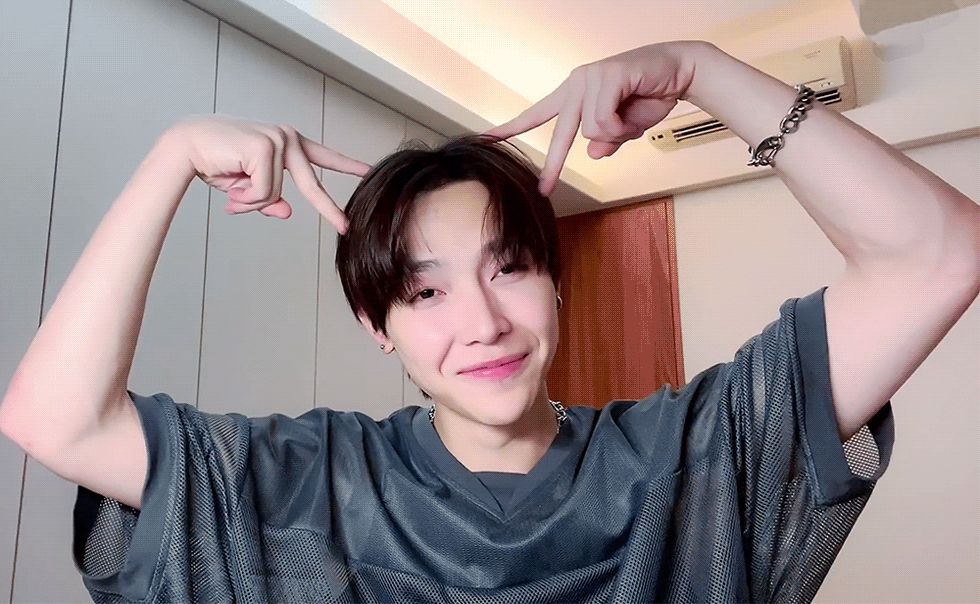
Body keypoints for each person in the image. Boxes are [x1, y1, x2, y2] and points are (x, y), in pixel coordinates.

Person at [1, 40, 977, 603]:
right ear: (376, 322)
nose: (482, 322)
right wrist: (173, 155)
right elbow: (54, 418)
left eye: (508, 269)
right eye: (426, 292)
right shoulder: (304, 482)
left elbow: (936, 255)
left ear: (554, 285)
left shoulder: (694, 455)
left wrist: (702, 70)